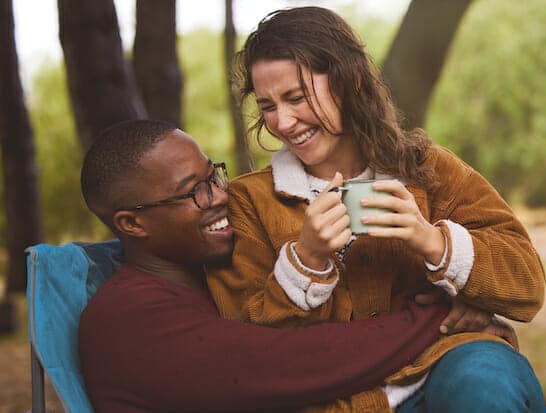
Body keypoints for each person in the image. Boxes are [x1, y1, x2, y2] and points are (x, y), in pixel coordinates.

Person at [206, 6, 546, 412]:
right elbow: (244, 343)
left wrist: (434, 243)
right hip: (333, 398)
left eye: (296, 98)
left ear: (349, 81)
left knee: (482, 379)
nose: (282, 121)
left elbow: (527, 286)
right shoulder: (250, 201)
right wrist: (307, 259)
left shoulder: (429, 170)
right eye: (267, 106)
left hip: (446, 365)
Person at [78, 119, 520, 412]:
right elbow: (294, 362)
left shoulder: (204, 280)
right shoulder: (129, 318)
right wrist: (442, 314)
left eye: (214, 175)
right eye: (194, 191)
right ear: (132, 223)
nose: (220, 196)